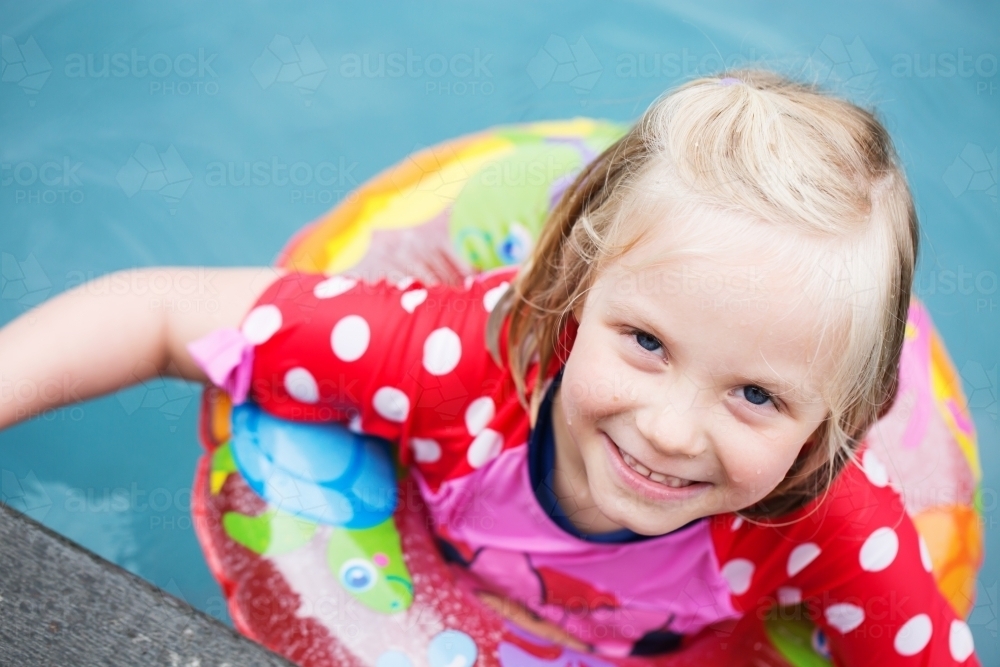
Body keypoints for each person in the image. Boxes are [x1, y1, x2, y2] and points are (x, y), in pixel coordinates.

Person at [0, 70, 980, 665]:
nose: (673, 428)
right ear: (576, 286)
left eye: (757, 394)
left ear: (838, 417)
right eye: (644, 342)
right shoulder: (452, 362)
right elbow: (162, 313)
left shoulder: (833, 525)